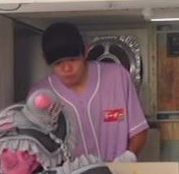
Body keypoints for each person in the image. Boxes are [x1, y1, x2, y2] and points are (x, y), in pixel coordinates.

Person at [35, 21, 149, 163]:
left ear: (86, 52)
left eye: (73, 60)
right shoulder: (40, 95)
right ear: (46, 59)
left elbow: (139, 129)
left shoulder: (117, 77)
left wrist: (129, 156)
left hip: (118, 172)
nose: (67, 68)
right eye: (58, 63)